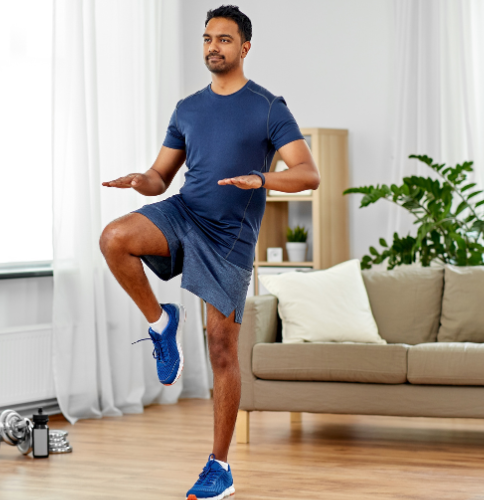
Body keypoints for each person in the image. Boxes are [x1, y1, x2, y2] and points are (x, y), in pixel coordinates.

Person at [99, 5, 319, 499]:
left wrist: (262, 178)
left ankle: (219, 466)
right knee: (114, 238)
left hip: (229, 240)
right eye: (206, 39)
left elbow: (308, 174)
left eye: (223, 39)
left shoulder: (268, 107)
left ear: (244, 48)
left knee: (222, 350)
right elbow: (161, 177)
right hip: (184, 214)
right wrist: (143, 180)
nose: (212, 47)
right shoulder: (187, 108)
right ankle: (161, 324)